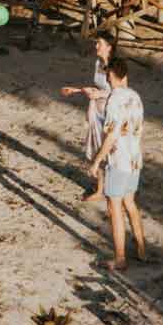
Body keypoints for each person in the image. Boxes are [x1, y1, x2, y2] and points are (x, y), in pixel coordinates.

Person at [90, 55, 146, 271]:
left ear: (111, 75)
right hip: (134, 159)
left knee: (114, 208)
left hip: (119, 160)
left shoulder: (114, 99)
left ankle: (120, 258)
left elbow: (112, 135)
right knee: (130, 202)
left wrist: (97, 161)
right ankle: (141, 247)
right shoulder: (136, 96)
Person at [60, 31, 114, 202]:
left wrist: (99, 95)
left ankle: (105, 188)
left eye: (99, 43)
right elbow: (95, 87)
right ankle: (100, 187)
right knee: (96, 145)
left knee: (108, 147)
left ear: (109, 47)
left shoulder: (114, 66)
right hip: (96, 109)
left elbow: (117, 91)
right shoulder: (98, 63)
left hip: (110, 110)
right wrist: (76, 90)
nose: (96, 46)